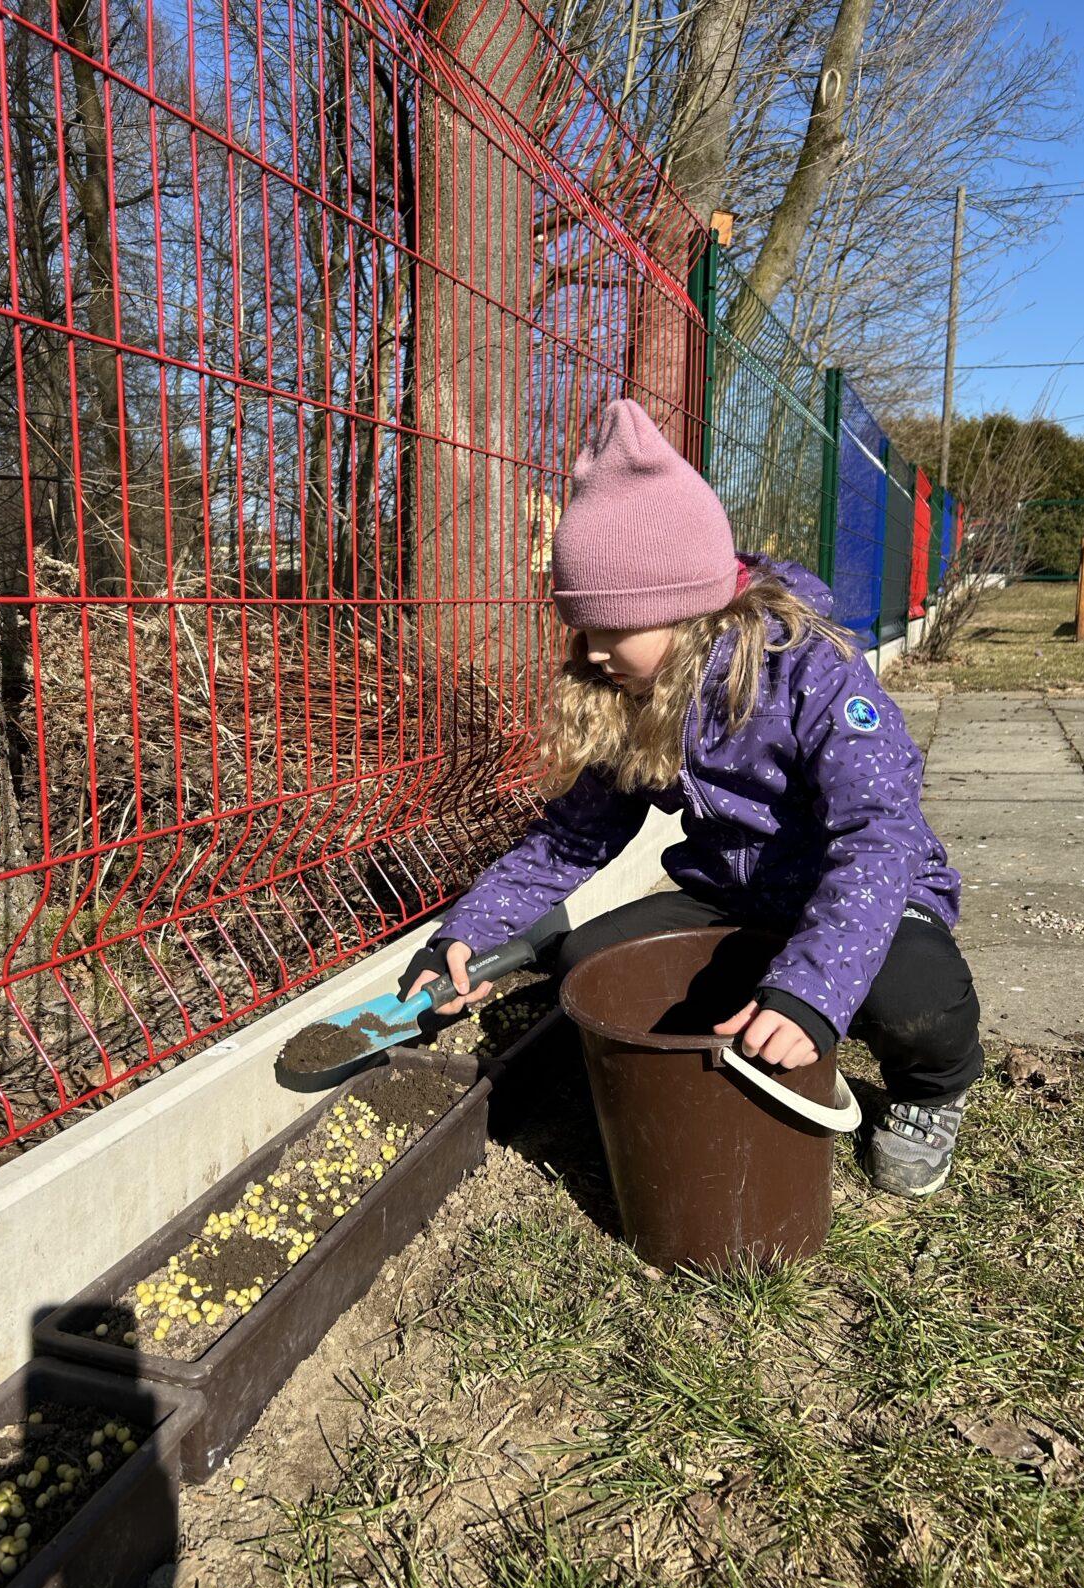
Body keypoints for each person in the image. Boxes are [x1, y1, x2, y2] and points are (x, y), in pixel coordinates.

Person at [399, 399, 982, 1198]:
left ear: (685, 610)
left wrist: (814, 990)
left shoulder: (812, 674)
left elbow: (880, 836)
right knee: (584, 958)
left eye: (611, 626)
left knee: (911, 994)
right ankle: (762, 1002)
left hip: (867, 894)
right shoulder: (628, 692)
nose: (591, 649)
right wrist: (472, 929)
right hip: (732, 898)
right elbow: (573, 841)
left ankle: (930, 1089)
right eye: (580, 627)